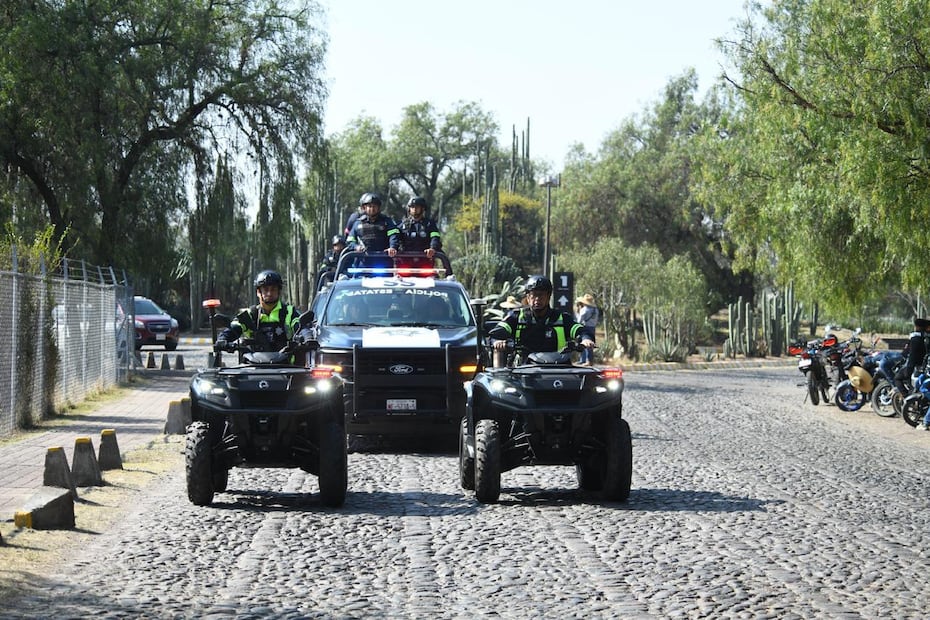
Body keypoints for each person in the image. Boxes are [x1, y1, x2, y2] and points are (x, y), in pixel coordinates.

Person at [488, 275, 595, 356]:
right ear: (528, 297)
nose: (537, 299)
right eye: (534, 295)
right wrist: (497, 341)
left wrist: (586, 339)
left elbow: (581, 330)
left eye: (541, 295)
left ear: (548, 297)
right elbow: (497, 332)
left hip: (558, 369)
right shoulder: (516, 317)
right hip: (523, 370)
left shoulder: (561, 318)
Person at [216, 270, 301, 352]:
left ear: (279, 291)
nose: (269, 293)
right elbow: (235, 328)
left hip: (285, 361)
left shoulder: (289, 312)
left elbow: (301, 327)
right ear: (258, 292)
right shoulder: (250, 314)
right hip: (253, 361)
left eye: (273, 289)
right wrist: (223, 339)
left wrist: (306, 336)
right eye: (266, 290)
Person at [346, 192, 400, 257]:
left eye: (374, 206)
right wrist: (356, 247)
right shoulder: (358, 223)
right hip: (363, 260)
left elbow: (393, 235)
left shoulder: (387, 221)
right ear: (364, 208)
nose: (372, 209)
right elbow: (350, 240)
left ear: (378, 207)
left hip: (383, 258)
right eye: (369, 206)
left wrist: (392, 247)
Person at [894, 316, 930, 400]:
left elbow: (912, 356)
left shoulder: (916, 339)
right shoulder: (926, 338)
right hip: (924, 367)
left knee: (897, 378)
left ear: (917, 327)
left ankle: (907, 398)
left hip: (917, 368)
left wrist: (908, 371)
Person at [574, 293, 599, 365]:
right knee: (590, 344)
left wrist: (577, 312)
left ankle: (585, 360)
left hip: (585, 327)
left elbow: (579, 321)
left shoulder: (584, 310)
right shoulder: (596, 310)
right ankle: (587, 360)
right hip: (593, 327)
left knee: (584, 344)